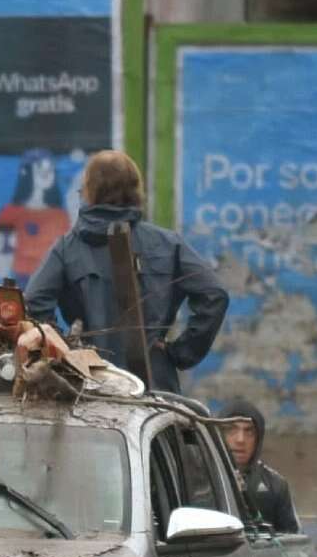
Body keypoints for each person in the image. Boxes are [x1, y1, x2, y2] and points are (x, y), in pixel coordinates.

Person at [23, 150, 228, 395]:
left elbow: (33, 302)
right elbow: (214, 294)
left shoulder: (67, 249)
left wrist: (65, 353)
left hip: (91, 381)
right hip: (156, 384)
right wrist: (180, 353)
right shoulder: (167, 243)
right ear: (135, 190)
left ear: (88, 191)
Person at [221, 405, 298, 534]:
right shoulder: (201, 480)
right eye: (231, 430)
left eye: (249, 432)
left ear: (258, 440)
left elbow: (291, 541)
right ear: (219, 435)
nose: (240, 440)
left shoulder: (276, 485)